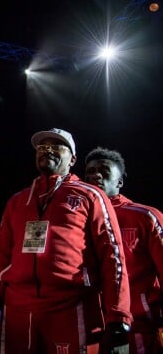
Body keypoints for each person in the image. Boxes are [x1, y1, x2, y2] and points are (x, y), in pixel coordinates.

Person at [0, 128, 132, 354]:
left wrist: (118, 316)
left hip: (69, 308)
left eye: (56, 145)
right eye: (42, 146)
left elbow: (113, 256)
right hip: (18, 311)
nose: (47, 149)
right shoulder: (18, 201)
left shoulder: (90, 196)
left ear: (73, 159)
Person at [84, 147, 163, 354]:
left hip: (137, 328)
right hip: (89, 328)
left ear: (119, 182)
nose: (96, 175)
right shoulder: (74, 222)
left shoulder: (145, 217)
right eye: (90, 172)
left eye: (103, 170)